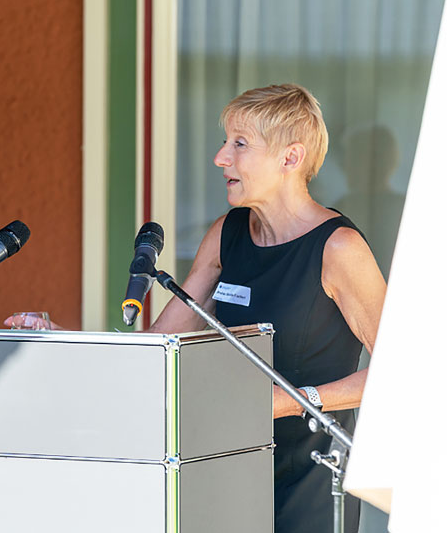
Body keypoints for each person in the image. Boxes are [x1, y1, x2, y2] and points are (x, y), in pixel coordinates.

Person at [149, 84, 385, 533]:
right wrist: (64, 336)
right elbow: (161, 345)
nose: (221, 157)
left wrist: (295, 402)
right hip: (228, 463)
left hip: (312, 474)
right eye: (225, 142)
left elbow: (401, 374)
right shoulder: (227, 233)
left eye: (239, 144)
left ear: (290, 159)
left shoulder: (339, 248)